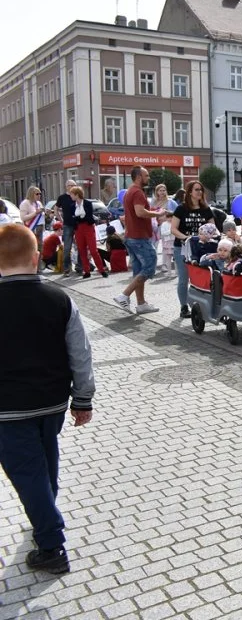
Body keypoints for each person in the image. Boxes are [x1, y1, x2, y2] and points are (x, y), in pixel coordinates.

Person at [0, 224, 95, 574]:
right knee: (45, 459)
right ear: (37, 257)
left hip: (8, 410)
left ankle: (52, 544)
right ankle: (45, 514)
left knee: (26, 472)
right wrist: (83, 399)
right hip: (52, 403)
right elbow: (81, 353)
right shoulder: (60, 300)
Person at [113, 166, 165, 314]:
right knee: (150, 266)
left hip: (131, 236)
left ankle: (141, 304)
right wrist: (157, 214)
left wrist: (156, 211)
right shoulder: (137, 192)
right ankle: (124, 295)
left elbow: (138, 212)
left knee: (138, 272)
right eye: (146, 176)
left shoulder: (130, 191)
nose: (148, 178)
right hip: (139, 237)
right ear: (138, 177)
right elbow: (140, 212)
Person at [170, 181, 215, 318]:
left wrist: (212, 237)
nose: (199, 192)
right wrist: (186, 238)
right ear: (190, 192)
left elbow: (213, 229)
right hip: (183, 248)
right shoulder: (181, 209)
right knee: (184, 278)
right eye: (196, 190)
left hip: (201, 248)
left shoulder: (206, 209)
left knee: (203, 277)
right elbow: (173, 229)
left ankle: (201, 305)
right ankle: (184, 307)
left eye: (201, 190)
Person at [69, 186, 108, 279]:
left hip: (88, 228)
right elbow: (73, 219)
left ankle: (102, 270)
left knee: (93, 250)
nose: (70, 196)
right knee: (81, 250)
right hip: (78, 229)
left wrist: (78, 218)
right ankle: (86, 271)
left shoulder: (87, 204)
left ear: (77, 194)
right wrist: (80, 218)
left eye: (72, 194)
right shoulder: (72, 206)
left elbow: (89, 217)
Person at [54, 180, 78, 276]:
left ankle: (79, 267)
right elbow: (56, 208)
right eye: (71, 185)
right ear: (66, 186)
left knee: (80, 246)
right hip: (67, 224)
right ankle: (67, 269)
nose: (72, 187)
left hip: (78, 224)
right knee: (67, 247)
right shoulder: (62, 198)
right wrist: (60, 219)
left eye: (74, 185)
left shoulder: (77, 196)